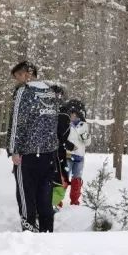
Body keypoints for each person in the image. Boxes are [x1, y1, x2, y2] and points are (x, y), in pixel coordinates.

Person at [7, 61, 59, 232]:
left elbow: (17, 123)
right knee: (45, 197)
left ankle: (29, 232)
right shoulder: (51, 92)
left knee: (26, 196)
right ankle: (47, 232)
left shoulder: (24, 92)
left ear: (26, 74)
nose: (18, 81)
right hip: (49, 154)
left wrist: (14, 149)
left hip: (27, 154)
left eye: (18, 76)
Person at [50, 84, 74, 212]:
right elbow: (61, 135)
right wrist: (66, 144)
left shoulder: (42, 109)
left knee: (51, 181)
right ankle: (50, 205)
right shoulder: (63, 113)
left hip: (42, 152)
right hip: (56, 153)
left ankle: (50, 204)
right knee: (59, 182)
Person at [64, 99, 90, 206]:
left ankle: (75, 200)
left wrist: (85, 137)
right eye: (71, 114)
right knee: (64, 178)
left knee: (77, 179)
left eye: (75, 115)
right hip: (68, 155)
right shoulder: (66, 124)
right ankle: (58, 200)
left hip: (80, 157)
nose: (73, 117)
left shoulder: (84, 125)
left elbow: (87, 142)